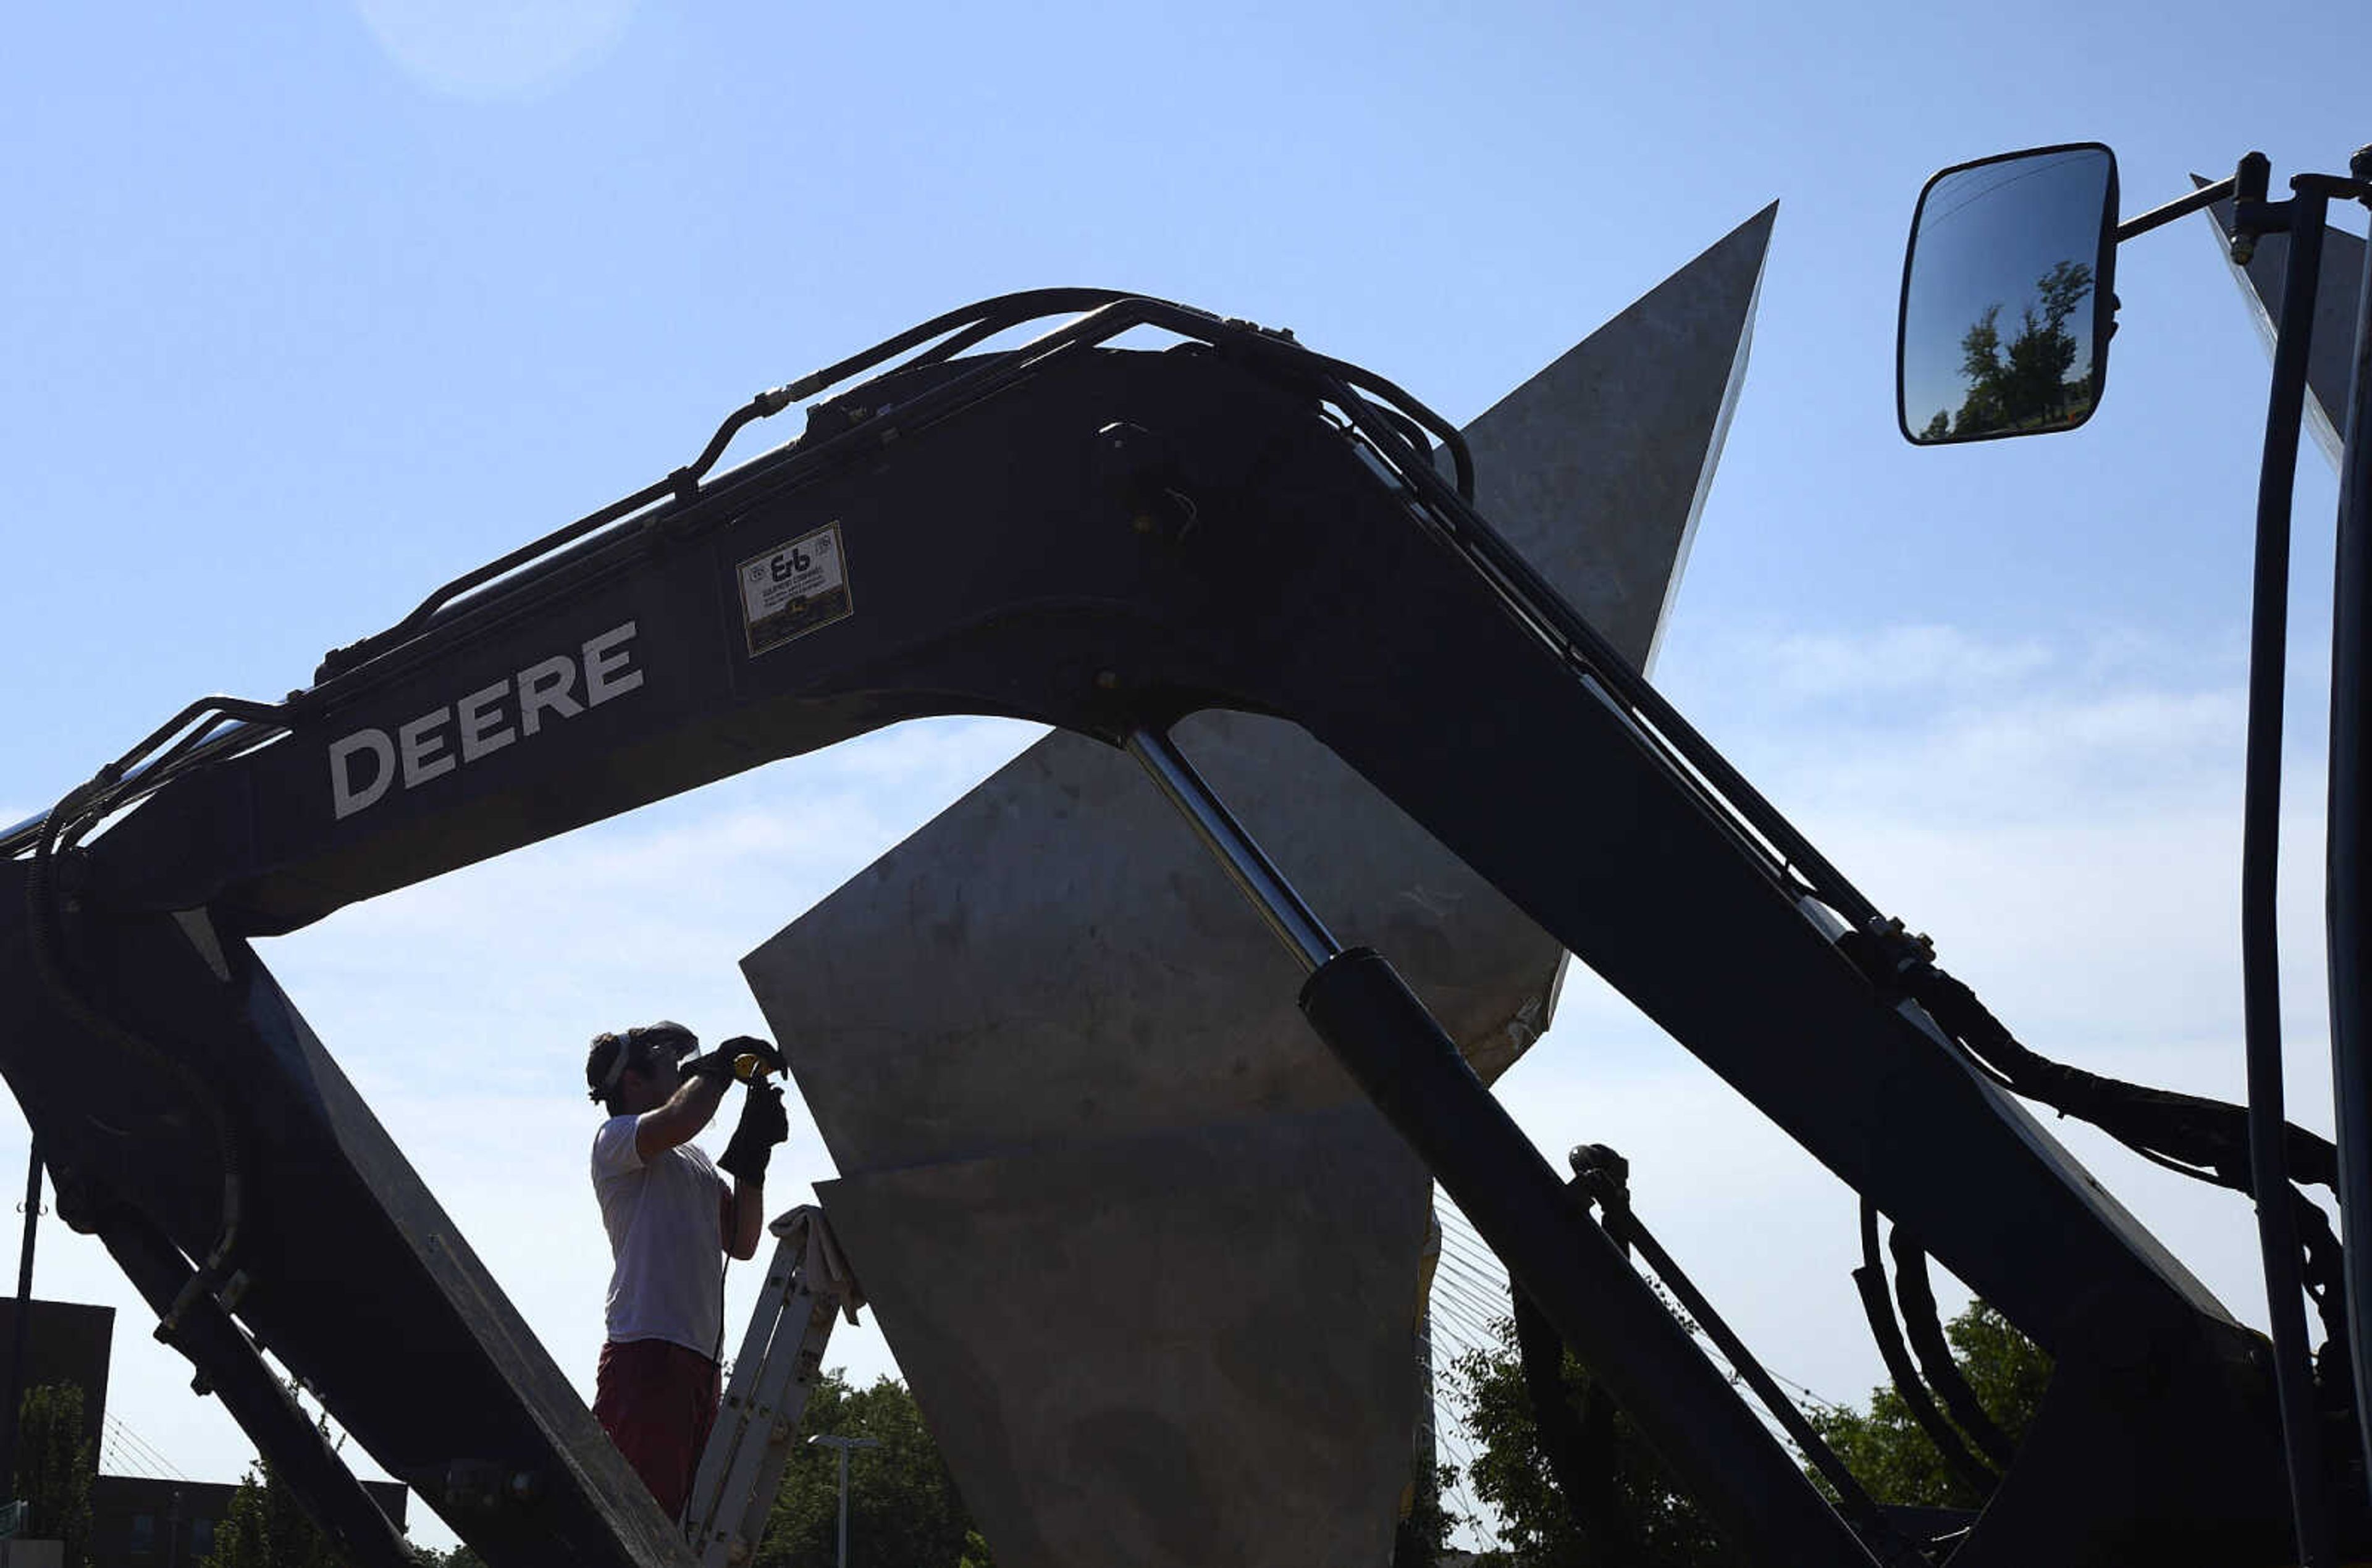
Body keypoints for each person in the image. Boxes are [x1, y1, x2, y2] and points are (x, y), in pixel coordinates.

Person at [584, 1019, 789, 1520]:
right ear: (632, 1082)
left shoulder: (689, 1156)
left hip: (698, 1358)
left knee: (686, 1522)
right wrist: (720, 1067)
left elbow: (741, 1241)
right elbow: (680, 1118)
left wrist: (752, 1160)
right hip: (648, 1351)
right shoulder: (615, 1138)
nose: (679, 1072)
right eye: (666, 1066)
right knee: (642, 1516)